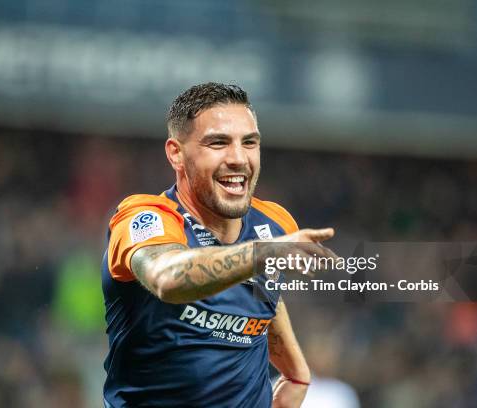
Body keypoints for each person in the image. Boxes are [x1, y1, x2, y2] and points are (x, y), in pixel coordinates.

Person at [101, 82, 337, 407]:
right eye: (218, 143)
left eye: (249, 142)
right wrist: (263, 254)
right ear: (176, 153)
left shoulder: (275, 225)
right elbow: (167, 278)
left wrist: (296, 371)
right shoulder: (144, 218)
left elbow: (260, 293)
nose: (238, 158)